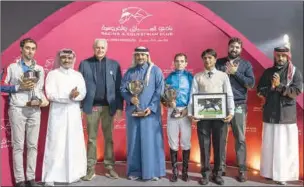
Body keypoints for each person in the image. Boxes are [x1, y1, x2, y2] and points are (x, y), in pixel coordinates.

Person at [2, 38, 48, 187]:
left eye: (33, 48)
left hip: (34, 110)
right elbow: (1, 86)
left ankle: (31, 178)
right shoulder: (12, 67)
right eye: (27, 48)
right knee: (18, 146)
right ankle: (20, 180)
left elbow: (39, 90)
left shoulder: (40, 69)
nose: (30, 51)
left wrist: (42, 100)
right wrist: (17, 88)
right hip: (18, 109)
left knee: (33, 145)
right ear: (21, 49)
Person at [257, 46, 303, 185]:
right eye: (278, 55)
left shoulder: (294, 72)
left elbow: (296, 91)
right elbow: (260, 90)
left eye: (283, 56)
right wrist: (271, 87)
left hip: (286, 117)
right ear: (275, 56)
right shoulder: (268, 72)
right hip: (270, 114)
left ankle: (283, 175)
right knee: (270, 146)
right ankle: (269, 173)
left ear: (288, 56)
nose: (281, 58)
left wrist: (279, 86)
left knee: (284, 148)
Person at [188, 49, 234, 185]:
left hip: (220, 117)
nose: (207, 60)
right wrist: (191, 114)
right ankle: (205, 174)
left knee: (219, 145)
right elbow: (192, 96)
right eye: (205, 58)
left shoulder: (223, 76)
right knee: (204, 145)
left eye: (210, 58)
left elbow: (229, 94)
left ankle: (218, 174)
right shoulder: (197, 77)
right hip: (202, 118)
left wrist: (230, 112)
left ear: (215, 59)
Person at [79, 39, 123, 180]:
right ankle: (90, 168)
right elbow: (79, 86)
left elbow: (118, 89)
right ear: (93, 48)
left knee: (109, 138)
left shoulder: (114, 65)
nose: (100, 50)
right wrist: (80, 106)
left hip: (108, 107)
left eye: (102, 48)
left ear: (106, 49)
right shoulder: (85, 64)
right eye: (97, 47)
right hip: (91, 107)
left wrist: (119, 108)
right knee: (91, 139)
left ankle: (109, 166)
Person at [42, 49, 87, 186]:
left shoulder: (78, 75)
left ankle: (75, 174)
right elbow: (50, 94)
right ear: (60, 59)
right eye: (64, 58)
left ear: (73, 59)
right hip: (58, 113)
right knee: (55, 143)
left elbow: (83, 92)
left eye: (69, 58)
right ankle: (51, 176)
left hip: (73, 113)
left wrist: (76, 96)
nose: (67, 60)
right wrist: (68, 97)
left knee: (74, 143)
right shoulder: (52, 74)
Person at [120, 46, 166, 181]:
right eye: (138, 55)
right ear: (135, 56)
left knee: (151, 142)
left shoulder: (156, 71)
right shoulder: (129, 72)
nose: (140, 57)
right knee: (134, 141)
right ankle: (135, 171)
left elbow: (159, 91)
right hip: (133, 112)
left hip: (150, 114)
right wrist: (130, 98)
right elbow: (123, 89)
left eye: (143, 55)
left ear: (147, 56)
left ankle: (153, 171)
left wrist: (151, 107)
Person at [215, 37, 255, 181]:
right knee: (220, 138)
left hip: (238, 105)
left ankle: (242, 170)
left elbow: (250, 84)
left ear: (241, 49)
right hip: (221, 106)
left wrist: (235, 72)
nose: (234, 49)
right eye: (232, 46)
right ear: (228, 47)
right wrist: (224, 74)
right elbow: (213, 81)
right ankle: (220, 168)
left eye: (237, 47)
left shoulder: (246, 65)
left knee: (240, 138)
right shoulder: (219, 63)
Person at [162, 53, 193, 182]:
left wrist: (188, 109)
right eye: (177, 61)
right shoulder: (169, 78)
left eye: (182, 61)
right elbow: (163, 95)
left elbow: (193, 94)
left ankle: (185, 171)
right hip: (172, 111)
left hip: (186, 112)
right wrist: (168, 103)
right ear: (174, 63)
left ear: (186, 63)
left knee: (186, 141)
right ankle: (175, 171)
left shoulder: (191, 78)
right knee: (173, 141)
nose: (179, 63)